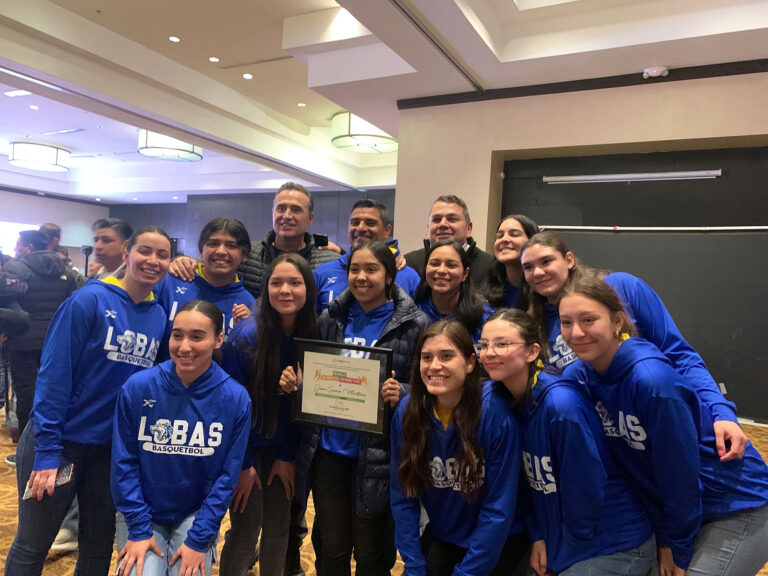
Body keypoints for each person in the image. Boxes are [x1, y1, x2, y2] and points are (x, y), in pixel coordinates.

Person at [558, 275, 768, 576]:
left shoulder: (653, 383)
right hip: (680, 511)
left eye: (588, 319)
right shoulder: (582, 375)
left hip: (736, 505)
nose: (576, 333)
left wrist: (676, 545)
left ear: (617, 322)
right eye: (566, 323)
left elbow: (679, 476)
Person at [4, 226, 171, 576]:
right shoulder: (88, 301)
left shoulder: (158, 316)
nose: (152, 261)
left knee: (97, 546)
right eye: (145, 251)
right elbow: (53, 376)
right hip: (58, 443)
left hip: (107, 452)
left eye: (162, 255)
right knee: (34, 542)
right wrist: (48, 451)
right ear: (127, 254)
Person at [519, 230, 748, 461]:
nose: (538, 272)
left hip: (671, 430)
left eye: (546, 261)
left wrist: (722, 412)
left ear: (568, 260)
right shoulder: (535, 322)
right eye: (528, 267)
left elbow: (680, 354)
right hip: (618, 452)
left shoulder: (622, 287)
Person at [289, 241, 429, 576]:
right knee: (332, 549)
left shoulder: (414, 324)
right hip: (330, 450)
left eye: (371, 269)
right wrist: (299, 382)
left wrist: (404, 391)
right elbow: (313, 371)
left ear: (390, 276)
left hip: (380, 454)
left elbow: (427, 386)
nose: (361, 277)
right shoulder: (330, 318)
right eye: (355, 269)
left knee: (371, 553)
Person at [480, 309, 654, 576]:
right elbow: (529, 484)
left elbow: (586, 493)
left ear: (531, 352)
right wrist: (538, 536)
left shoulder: (560, 406)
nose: (489, 352)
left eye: (502, 344)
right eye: (484, 344)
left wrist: (558, 557)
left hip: (613, 543)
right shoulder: (504, 400)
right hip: (558, 539)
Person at [111, 300, 251, 576]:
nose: (184, 347)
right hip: (142, 511)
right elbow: (123, 463)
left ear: (218, 340)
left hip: (195, 514)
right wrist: (138, 528)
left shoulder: (235, 398)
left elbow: (227, 477)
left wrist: (199, 539)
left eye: (197, 337)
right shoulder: (138, 387)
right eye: (177, 335)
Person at [391, 320, 526, 576]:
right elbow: (402, 497)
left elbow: (499, 508)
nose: (434, 366)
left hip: (500, 541)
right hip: (446, 536)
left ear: (470, 362)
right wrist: (414, 565)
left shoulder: (495, 413)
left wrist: (467, 573)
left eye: (447, 356)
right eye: (426, 357)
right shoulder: (407, 412)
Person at [218, 253, 318, 576]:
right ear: (266, 288)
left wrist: (287, 456)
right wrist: (243, 465)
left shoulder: (314, 335)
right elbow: (231, 410)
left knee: (278, 530)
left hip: (285, 449)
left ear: (309, 289)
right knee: (246, 531)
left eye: (295, 282)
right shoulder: (244, 338)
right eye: (277, 282)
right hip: (244, 449)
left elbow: (299, 410)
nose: (285, 290)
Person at [171, 182, 340, 299]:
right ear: (273, 212)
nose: (286, 216)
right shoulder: (247, 253)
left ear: (310, 218)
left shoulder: (328, 262)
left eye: (296, 210)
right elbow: (210, 263)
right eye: (281, 208)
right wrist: (181, 261)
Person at [0, 230, 79, 440]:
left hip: (22, 339)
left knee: (25, 392)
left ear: (29, 247)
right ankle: (51, 437)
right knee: (55, 391)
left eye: (18, 243)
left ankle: (28, 442)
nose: (15, 247)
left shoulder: (14, 268)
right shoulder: (66, 269)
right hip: (56, 341)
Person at [155, 217, 255, 342]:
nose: (221, 251)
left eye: (231, 245)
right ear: (202, 250)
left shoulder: (248, 304)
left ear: (244, 255)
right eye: (213, 244)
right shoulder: (173, 280)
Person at [314, 198, 420, 312]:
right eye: (355, 222)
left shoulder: (408, 277)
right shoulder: (323, 273)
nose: (360, 228)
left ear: (387, 231)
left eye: (370, 223)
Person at [403, 195, 494, 289]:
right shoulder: (408, 264)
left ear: (469, 228)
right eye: (436, 220)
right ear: (428, 228)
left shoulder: (491, 267)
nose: (443, 224)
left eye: (452, 219)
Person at [414, 240, 490, 342]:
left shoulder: (484, 317)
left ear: (465, 274)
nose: (441, 270)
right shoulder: (412, 313)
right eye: (434, 264)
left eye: (451, 265)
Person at [484, 215, 539, 309]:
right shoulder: (486, 296)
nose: (504, 239)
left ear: (532, 241)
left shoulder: (544, 292)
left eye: (514, 234)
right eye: (499, 236)